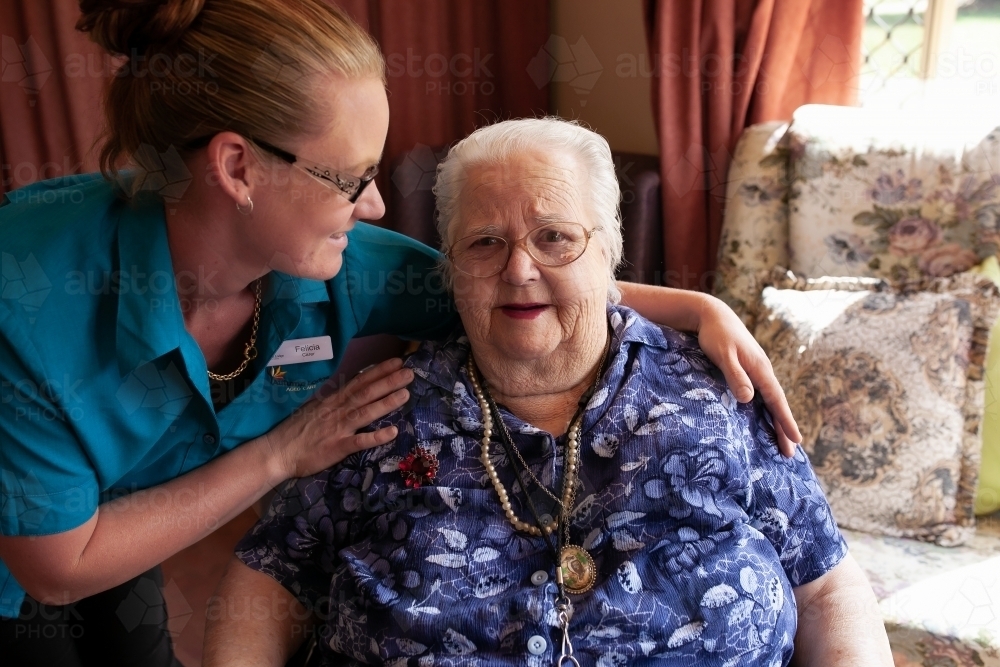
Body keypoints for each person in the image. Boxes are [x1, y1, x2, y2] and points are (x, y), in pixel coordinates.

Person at [0, 1, 802, 665]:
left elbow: (514, 280)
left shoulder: (333, 254)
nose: (377, 205)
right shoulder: (28, 303)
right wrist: (281, 453)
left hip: (127, 506)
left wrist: (697, 309)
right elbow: (59, 568)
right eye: (350, 179)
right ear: (238, 167)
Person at [203, 118, 893, 667]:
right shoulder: (382, 410)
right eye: (483, 243)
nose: (519, 268)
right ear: (452, 267)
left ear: (609, 254)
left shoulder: (717, 391)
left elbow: (827, 580)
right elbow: (268, 573)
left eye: (555, 237)